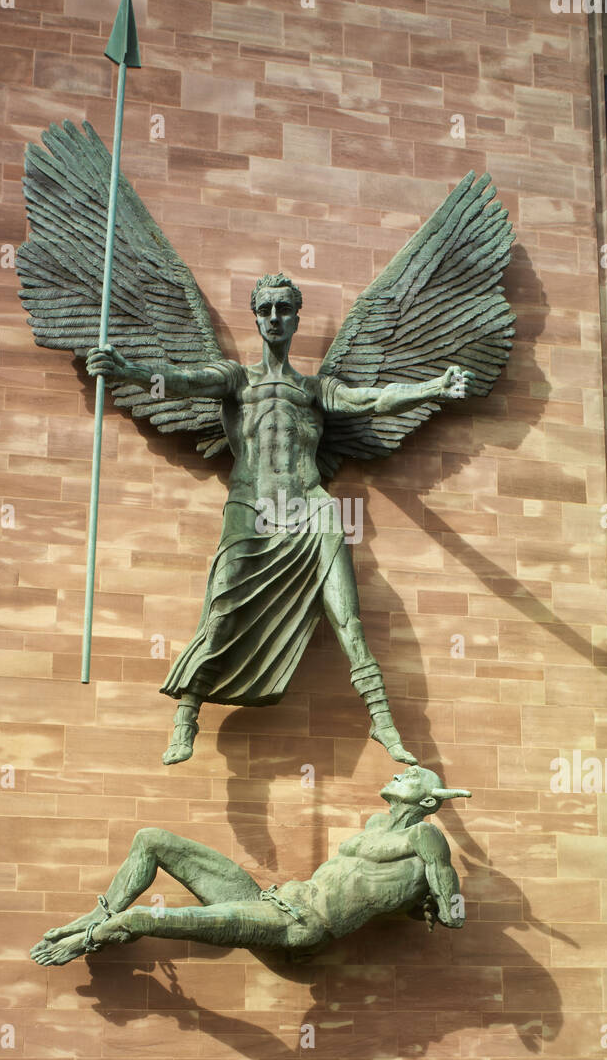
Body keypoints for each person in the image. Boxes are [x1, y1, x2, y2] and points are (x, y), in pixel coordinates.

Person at [87, 273, 467, 767]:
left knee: (348, 619)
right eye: (265, 310)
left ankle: (383, 722)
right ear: (255, 317)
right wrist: (128, 370)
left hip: (311, 509)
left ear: (295, 318)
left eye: (283, 309)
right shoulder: (236, 380)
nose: (273, 319)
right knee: (221, 613)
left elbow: (371, 399)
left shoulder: (314, 390)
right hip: (251, 510)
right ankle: (185, 719)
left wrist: (434, 387)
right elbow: (180, 383)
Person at [30, 766, 469, 965]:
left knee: (147, 918)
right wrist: (414, 902)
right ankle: (100, 914)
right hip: (270, 900)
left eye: (411, 777)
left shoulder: (425, 837)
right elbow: (373, 887)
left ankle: (87, 940)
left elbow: (453, 916)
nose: (400, 774)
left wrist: (438, 899)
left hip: (299, 925)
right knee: (152, 840)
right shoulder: (376, 825)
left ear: (427, 802)